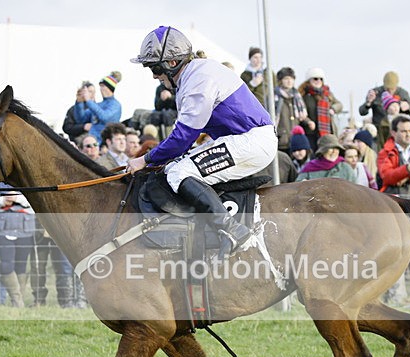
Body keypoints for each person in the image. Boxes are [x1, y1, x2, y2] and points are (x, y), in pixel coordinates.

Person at [126, 26, 276, 259]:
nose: (154, 76)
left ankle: (233, 230)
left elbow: (182, 139)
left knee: (179, 173)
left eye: (155, 68)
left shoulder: (197, 79)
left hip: (252, 142)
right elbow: (183, 141)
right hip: (243, 140)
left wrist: (144, 159)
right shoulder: (193, 75)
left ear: (172, 63)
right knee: (173, 168)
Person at [0, 190, 35, 307]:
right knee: (5, 266)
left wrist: (17, 198)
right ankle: (17, 301)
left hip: (25, 227)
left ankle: (18, 304)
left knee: (21, 266)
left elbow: (36, 198)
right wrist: (2, 200)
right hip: (1, 228)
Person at [299, 67, 343, 151]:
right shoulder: (304, 96)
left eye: (321, 79)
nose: (318, 81)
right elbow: (301, 112)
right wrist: (308, 122)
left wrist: (333, 109)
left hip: (327, 132)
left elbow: (339, 105)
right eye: (315, 79)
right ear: (309, 80)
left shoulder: (327, 94)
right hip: (311, 133)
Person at [74, 72, 122, 142]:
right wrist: (79, 102)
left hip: (105, 143)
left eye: (103, 86)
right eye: (100, 86)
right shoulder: (98, 105)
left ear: (109, 88)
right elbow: (81, 119)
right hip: (93, 142)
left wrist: (88, 100)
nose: (100, 89)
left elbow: (105, 117)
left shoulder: (115, 105)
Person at [273, 66, 309, 152]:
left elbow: (301, 115)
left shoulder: (297, 96)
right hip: (281, 139)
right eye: (286, 79)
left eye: (291, 79)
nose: (289, 81)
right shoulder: (274, 97)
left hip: (295, 140)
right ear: (280, 80)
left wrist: (309, 122)